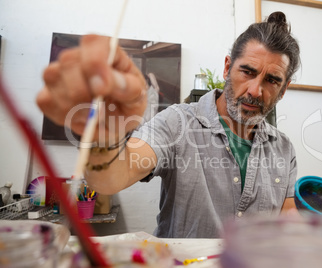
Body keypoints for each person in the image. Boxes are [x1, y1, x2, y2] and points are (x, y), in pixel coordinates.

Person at [37, 11, 301, 238]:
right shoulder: (178, 122)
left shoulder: (284, 149)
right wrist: (107, 133)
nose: (255, 90)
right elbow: (112, 177)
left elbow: (288, 224)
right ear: (227, 67)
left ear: (284, 89)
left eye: (272, 80)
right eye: (248, 72)